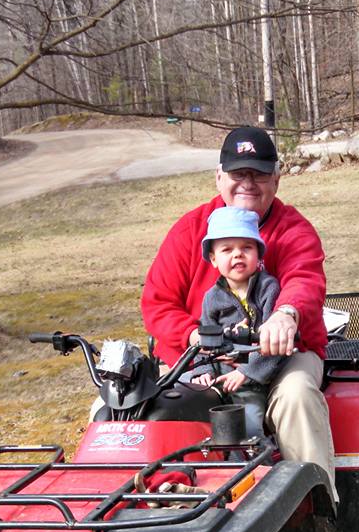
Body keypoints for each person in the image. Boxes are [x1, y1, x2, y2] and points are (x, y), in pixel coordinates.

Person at [141, 125, 337, 499]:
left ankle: (319, 510)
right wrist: (194, 336)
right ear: (219, 177)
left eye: (260, 173)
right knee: (121, 407)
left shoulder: (294, 230)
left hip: (281, 356)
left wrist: (284, 315)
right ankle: (141, 509)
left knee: (296, 395)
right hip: (201, 359)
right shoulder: (191, 232)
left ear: (276, 180)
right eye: (238, 173)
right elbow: (157, 302)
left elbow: (303, 279)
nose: (248, 183)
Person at [188, 205, 287, 439]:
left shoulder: (268, 289)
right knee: (191, 412)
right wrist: (201, 370)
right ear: (213, 259)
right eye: (227, 250)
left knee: (247, 426)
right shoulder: (212, 297)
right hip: (218, 375)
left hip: (253, 378)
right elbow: (205, 340)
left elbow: (273, 345)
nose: (237, 254)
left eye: (246, 248)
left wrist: (246, 372)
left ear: (259, 254)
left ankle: (257, 461)